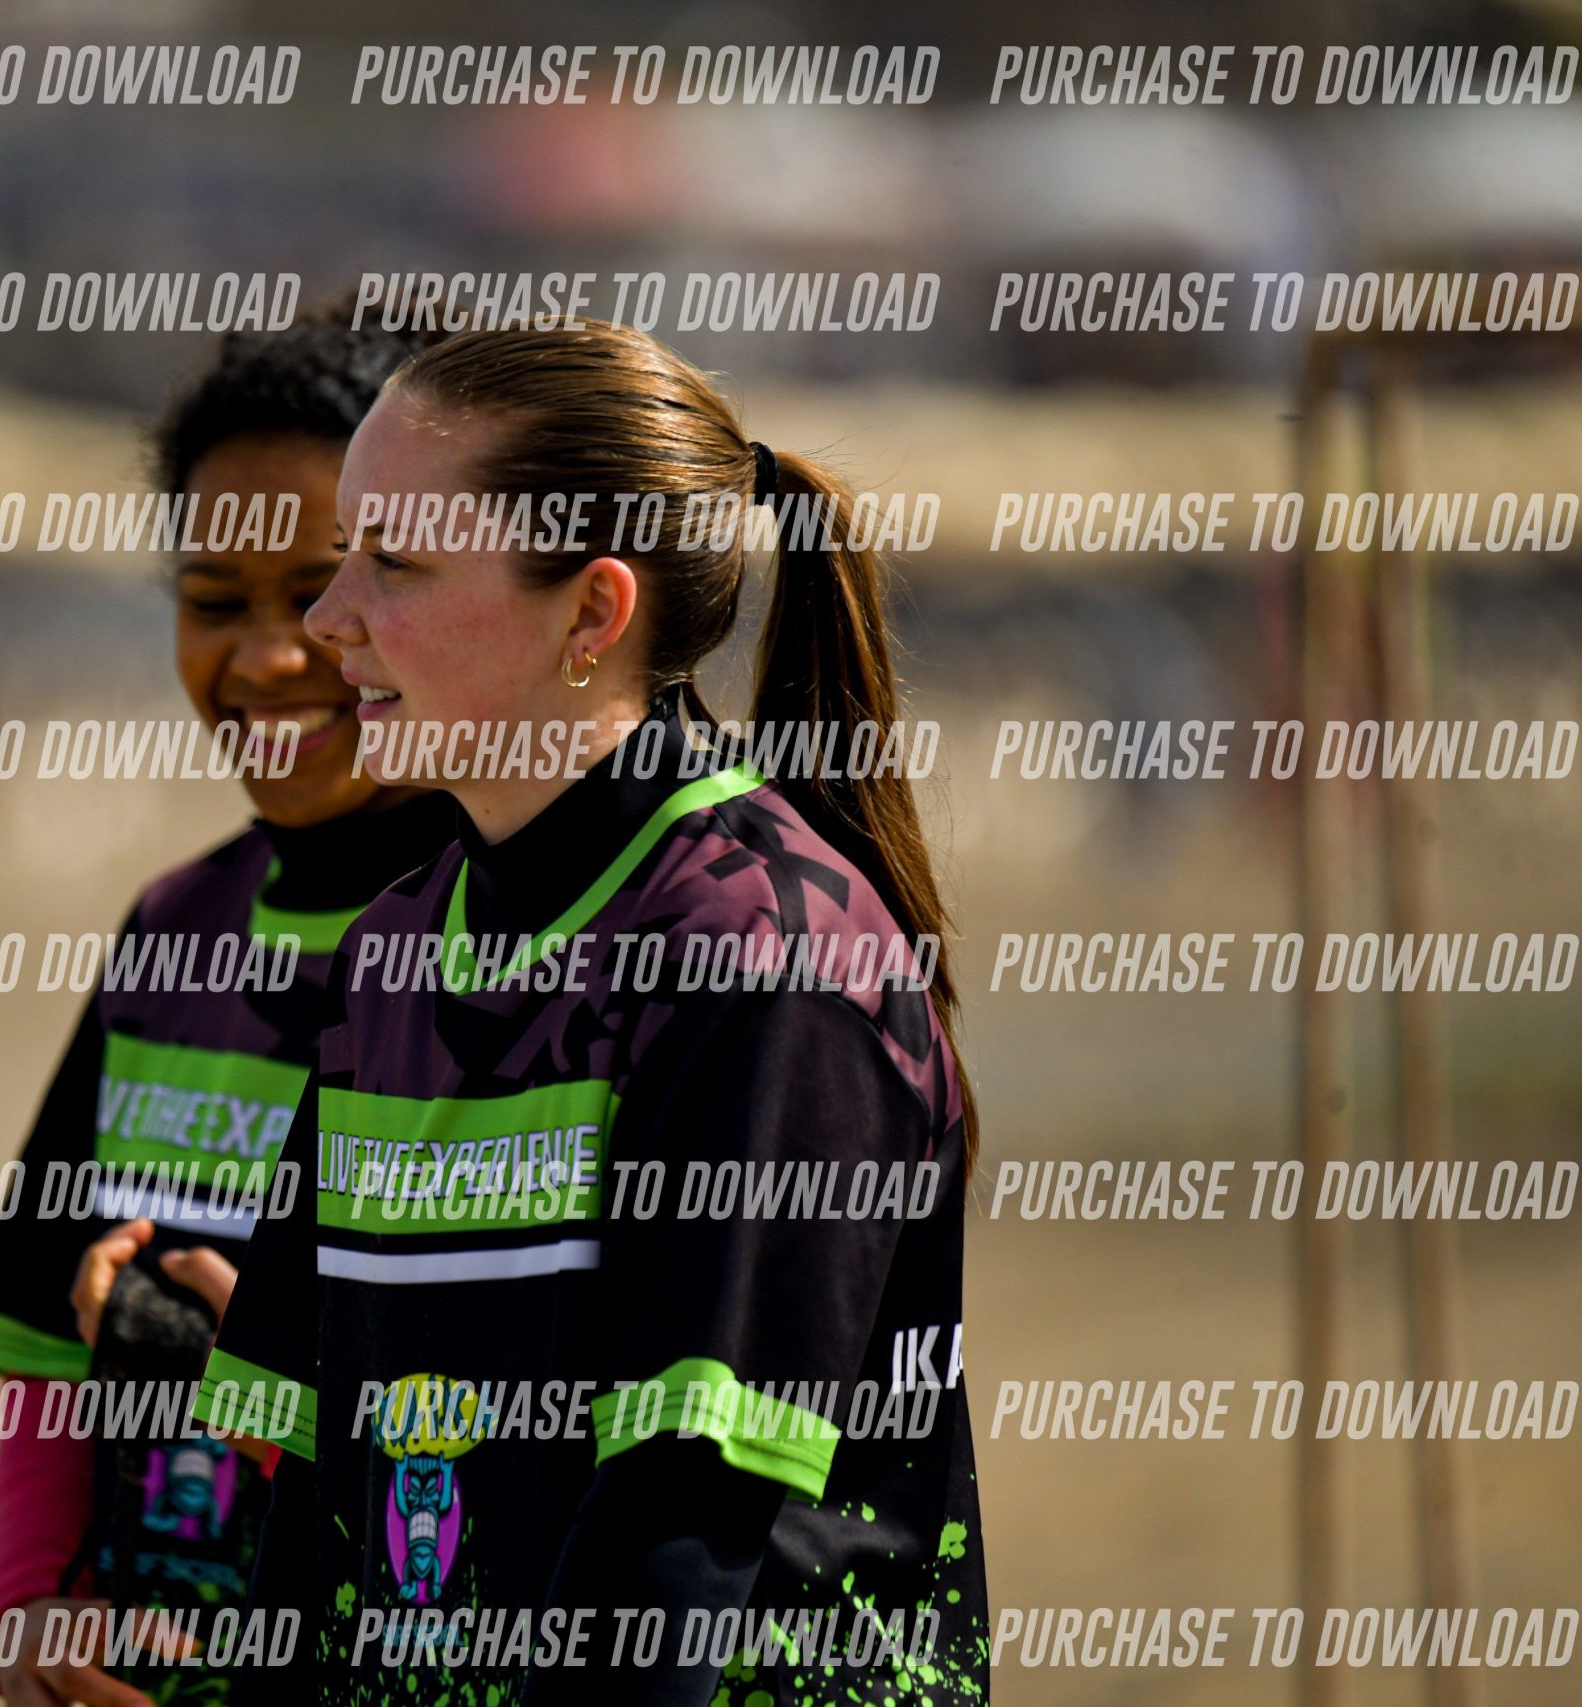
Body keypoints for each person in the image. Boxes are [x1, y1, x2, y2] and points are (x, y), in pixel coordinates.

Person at [192, 321, 988, 1705]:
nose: (327, 618)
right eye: (344, 552)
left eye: (396, 562)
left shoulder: (764, 965)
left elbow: (673, 1542)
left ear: (592, 614)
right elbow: (311, 1525)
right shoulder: (391, 955)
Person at [0, 307, 454, 1706]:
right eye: (216, 601)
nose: (271, 658)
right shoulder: (173, 934)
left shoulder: (525, 953)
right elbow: (49, 1344)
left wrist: (278, 1370)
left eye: (322, 593)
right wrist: (31, 1610)